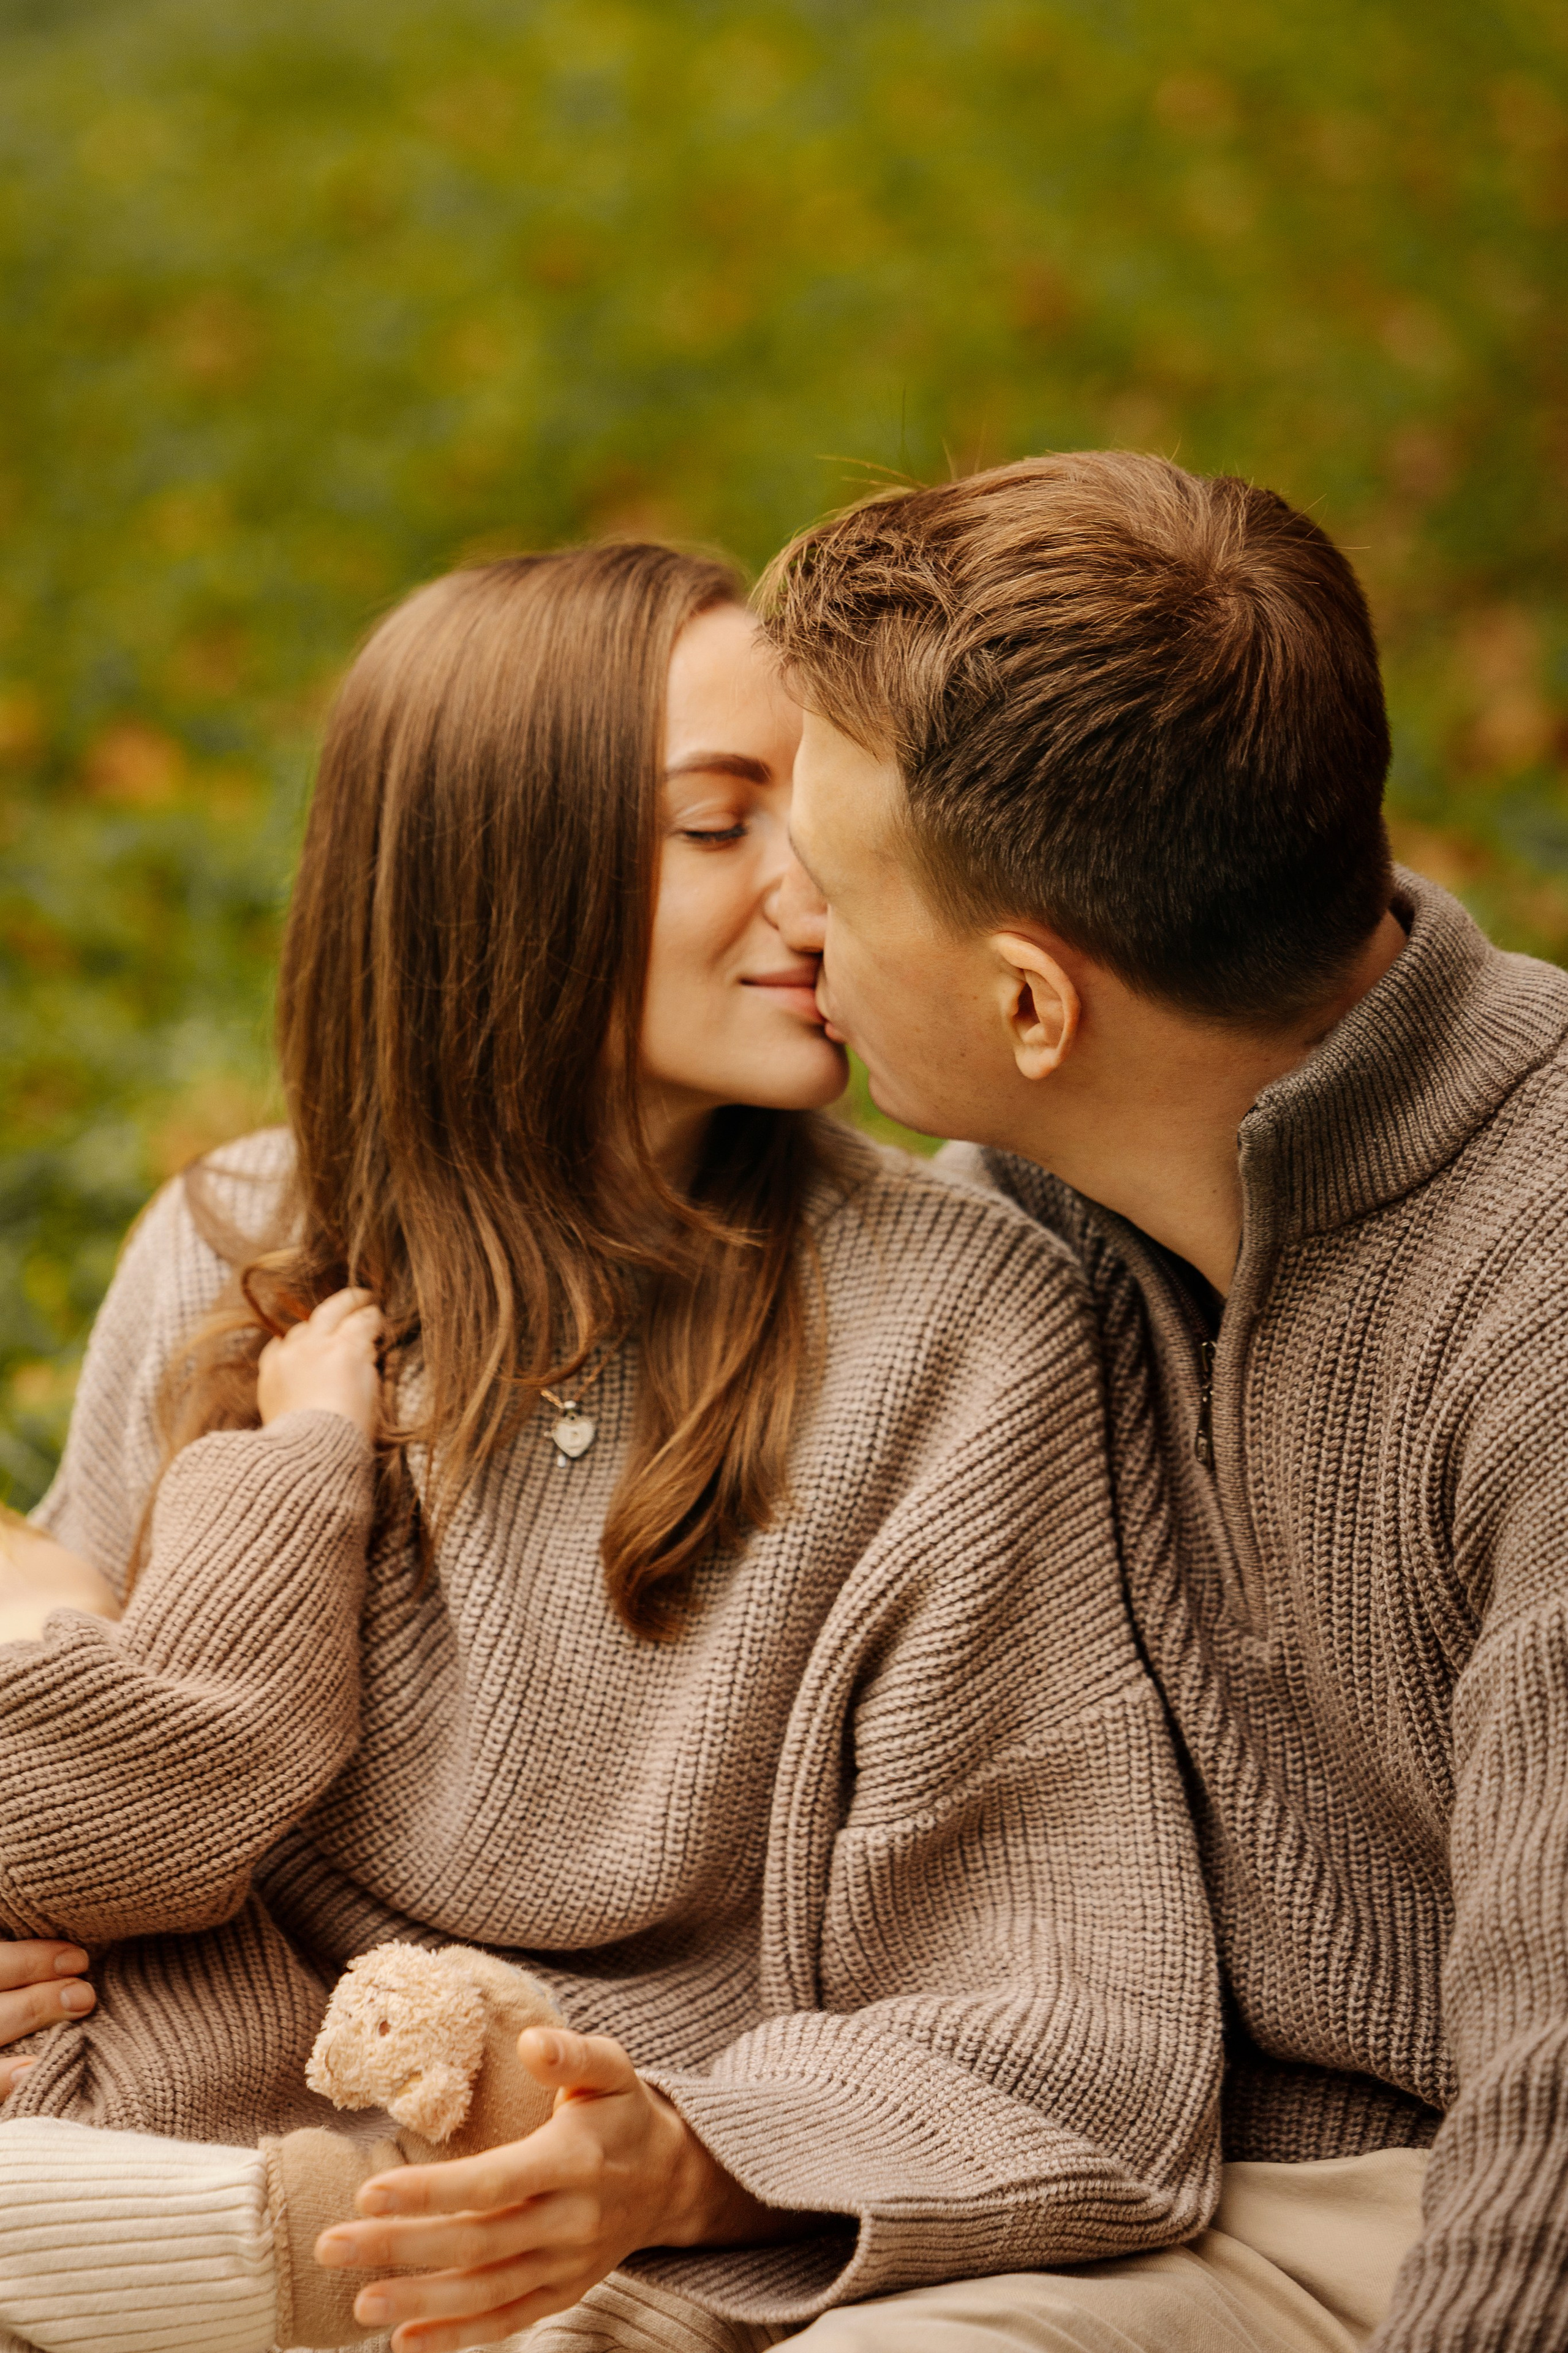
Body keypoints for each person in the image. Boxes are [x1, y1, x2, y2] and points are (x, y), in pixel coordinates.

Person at [0, 541, 1220, 2353]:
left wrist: (688, 2162)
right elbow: (91, 1761)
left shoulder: (962, 1328)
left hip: (634, 2227)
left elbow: (1075, 2000)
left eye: (801, 815)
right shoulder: (237, 1242)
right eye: (716, 825)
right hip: (172, 2140)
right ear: (502, 867)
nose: (815, 895)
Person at [763, 448, 1568, 2351]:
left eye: (827, 882)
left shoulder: (1533, 1304)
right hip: (1109, 2169)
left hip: (1455, 2208)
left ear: (1034, 1005)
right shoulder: (1025, 1225)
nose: (783, 920)